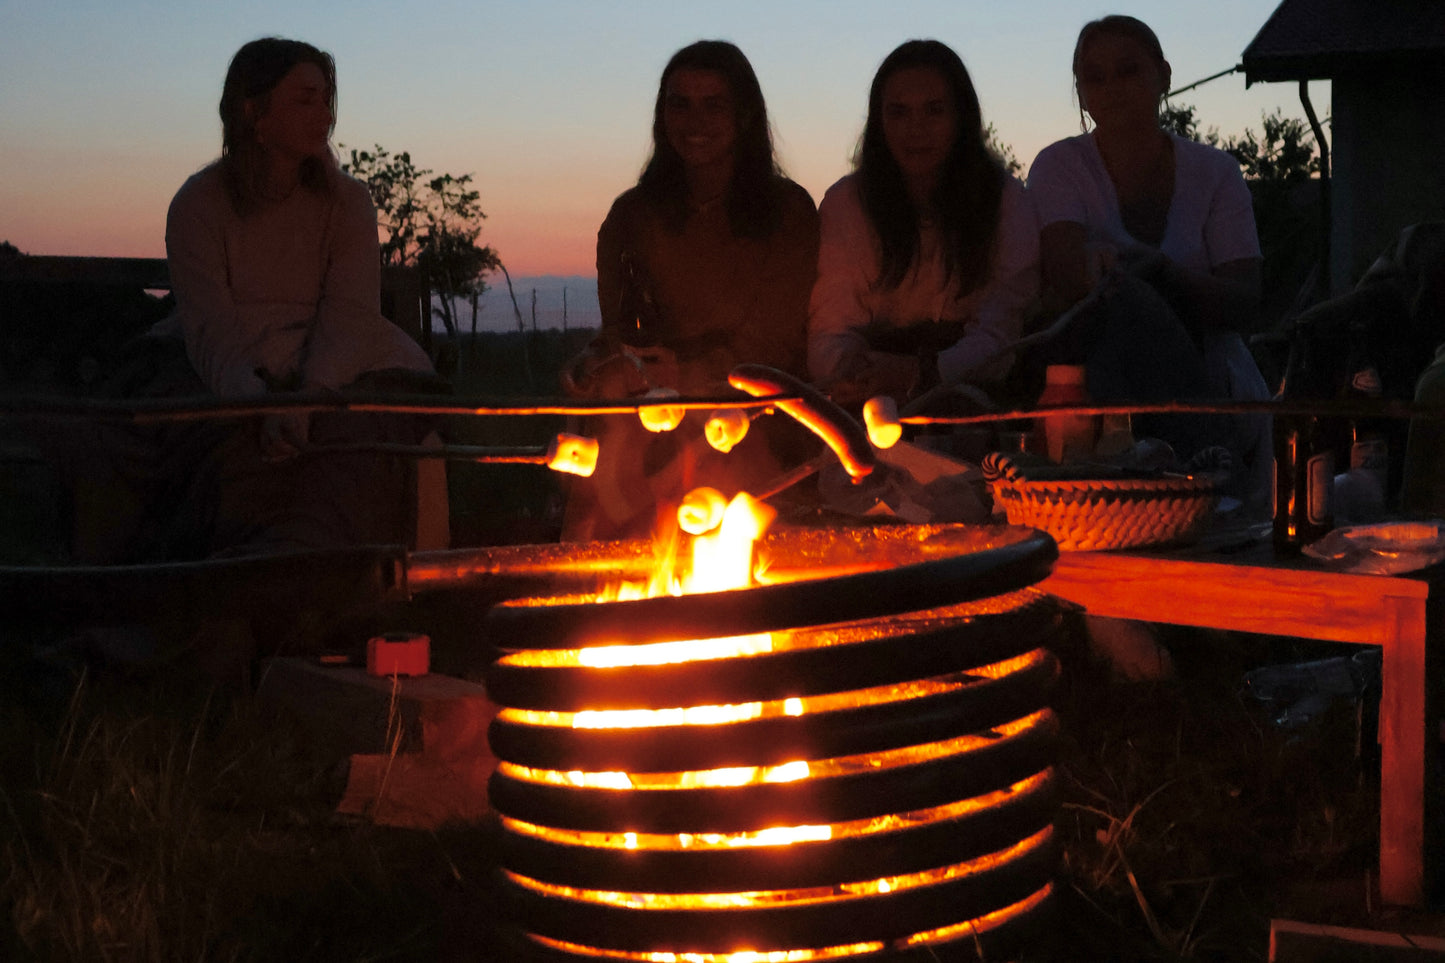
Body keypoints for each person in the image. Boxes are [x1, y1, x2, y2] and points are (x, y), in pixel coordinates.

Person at [96, 37, 438, 560]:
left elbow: (350, 311)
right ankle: (223, 584)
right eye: (305, 99)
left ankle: (331, 582)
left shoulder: (348, 202)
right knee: (216, 450)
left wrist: (308, 397)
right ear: (254, 111)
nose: (323, 114)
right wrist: (252, 402)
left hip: (337, 361)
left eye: (326, 99)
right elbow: (210, 323)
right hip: (234, 366)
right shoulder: (199, 204)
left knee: (355, 446)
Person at [563, 40, 820, 541]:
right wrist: (591, 369)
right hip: (648, 412)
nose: (694, 120)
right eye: (679, 103)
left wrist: (690, 376)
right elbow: (618, 331)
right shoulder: (631, 217)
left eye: (713, 104)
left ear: (744, 115)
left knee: (712, 463)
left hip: (752, 413)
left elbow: (778, 340)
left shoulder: (787, 212)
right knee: (606, 451)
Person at [1028, 14, 1271, 510]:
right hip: (1097, 373)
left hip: (1208, 372)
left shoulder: (1216, 173)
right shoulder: (1059, 166)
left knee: (1136, 297)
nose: (1112, 87)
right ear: (1081, 91)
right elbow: (1064, 274)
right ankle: (1211, 477)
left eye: (1128, 70)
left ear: (1163, 76)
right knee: (1125, 305)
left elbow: (1247, 300)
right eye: (1095, 77)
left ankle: (1140, 480)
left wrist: (1163, 272)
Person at [807, 39, 1039, 410]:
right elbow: (830, 328)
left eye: (934, 111)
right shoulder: (847, 203)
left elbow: (1003, 333)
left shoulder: (1005, 200)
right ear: (878, 121)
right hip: (869, 391)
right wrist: (848, 366)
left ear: (961, 117)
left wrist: (922, 372)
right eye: (898, 112)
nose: (916, 129)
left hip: (974, 393)